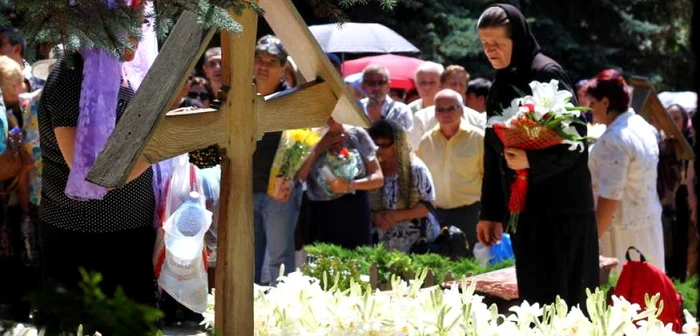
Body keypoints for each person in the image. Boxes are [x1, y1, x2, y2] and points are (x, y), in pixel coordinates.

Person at [475, 4, 599, 308]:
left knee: (568, 303)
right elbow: (493, 153)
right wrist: (490, 212)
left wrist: (533, 161)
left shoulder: (546, 73)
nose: (490, 50)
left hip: (563, 213)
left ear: (517, 39)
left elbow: (576, 142)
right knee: (536, 301)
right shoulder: (499, 83)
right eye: (485, 44)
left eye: (498, 43)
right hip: (525, 213)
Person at [587, 69, 665, 272]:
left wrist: (589, 242)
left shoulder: (614, 141)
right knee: (650, 295)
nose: (590, 108)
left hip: (622, 238)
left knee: (626, 297)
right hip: (648, 229)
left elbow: (610, 198)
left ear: (605, 103)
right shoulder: (642, 126)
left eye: (592, 103)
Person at [296, 118, 383, 249]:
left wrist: (350, 185)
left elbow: (378, 178)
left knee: (357, 263)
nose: (329, 118)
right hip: (321, 213)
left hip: (355, 209)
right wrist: (319, 147)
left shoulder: (357, 134)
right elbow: (300, 177)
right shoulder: (309, 138)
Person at [416, 89, 484, 251]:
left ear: (461, 109)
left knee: (472, 263)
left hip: (470, 213)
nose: (445, 113)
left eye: (451, 108)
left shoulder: (479, 138)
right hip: (436, 214)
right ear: (435, 113)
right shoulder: (426, 141)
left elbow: (490, 178)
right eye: (440, 109)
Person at [368, 119, 438, 252]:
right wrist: (375, 217)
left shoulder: (416, 168)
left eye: (384, 145)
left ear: (398, 144)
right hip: (382, 243)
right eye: (375, 145)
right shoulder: (372, 169)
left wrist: (395, 216)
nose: (379, 150)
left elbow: (429, 205)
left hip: (416, 243)